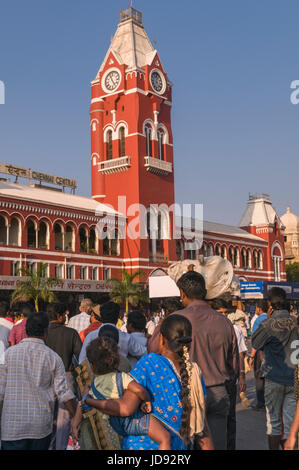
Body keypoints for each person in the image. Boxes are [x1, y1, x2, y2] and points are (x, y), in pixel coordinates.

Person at [75, 314, 213, 450]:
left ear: (162, 340)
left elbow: (127, 407)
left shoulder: (149, 363)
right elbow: (202, 427)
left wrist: (87, 401)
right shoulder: (194, 373)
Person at [148, 271, 239, 450]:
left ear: (182, 293)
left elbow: (153, 349)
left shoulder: (174, 321)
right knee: (217, 444)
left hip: (185, 393)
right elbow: (233, 366)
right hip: (218, 392)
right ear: (204, 291)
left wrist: (163, 323)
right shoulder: (224, 322)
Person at [72, 336, 171, 450]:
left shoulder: (94, 386)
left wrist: (80, 412)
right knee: (165, 438)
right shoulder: (121, 377)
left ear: (92, 366)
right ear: (118, 360)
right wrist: (147, 400)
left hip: (116, 425)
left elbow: (86, 405)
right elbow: (139, 390)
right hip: (133, 421)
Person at [0, 312, 76, 450]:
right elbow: (64, 393)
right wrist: (77, 416)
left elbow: (0, 392)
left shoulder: (8, 354)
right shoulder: (53, 357)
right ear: (45, 332)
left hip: (12, 428)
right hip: (40, 428)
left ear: (26, 330)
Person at [252, 287, 299, 450]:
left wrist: (267, 319)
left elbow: (255, 343)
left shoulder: (269, 323)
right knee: (289, 422)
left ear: (270, 304)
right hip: (294, 380)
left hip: (274, 378)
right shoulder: (296, 321)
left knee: (273, 423)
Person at [211, 298, 247, 450]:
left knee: (230, 419)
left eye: (225, 313)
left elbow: (239, 354)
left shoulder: (235, 329)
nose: (223, 316)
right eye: (220, 313)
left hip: (229, 380)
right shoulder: (208, 329)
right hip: (212, 381)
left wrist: (242, 376)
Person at [79, 302, 147, 366]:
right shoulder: (126, 337)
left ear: (101, 317)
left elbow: (82, 360)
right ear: (117, 318)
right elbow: (143, 352)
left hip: (97, 376)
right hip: (120, 376)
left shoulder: (91, 336)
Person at [248, 299, 268, 411]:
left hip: (260, 353)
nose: (255, 309)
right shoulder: (270, 318)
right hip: (270, 352)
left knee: (259, 377)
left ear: (259, 308)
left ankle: (260, 403)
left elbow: (256, 341)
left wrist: (251, 356)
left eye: (256, 307)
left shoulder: (258, 320)